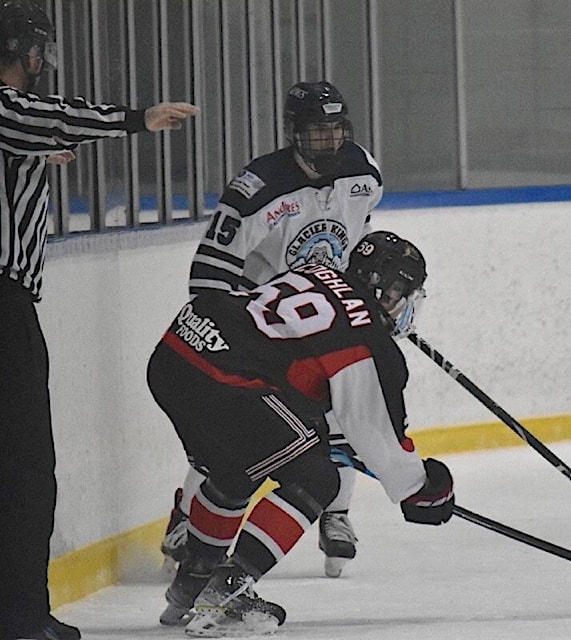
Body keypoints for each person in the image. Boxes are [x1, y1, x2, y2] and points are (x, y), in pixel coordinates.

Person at [0, 1, 199, 639]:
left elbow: (38, 131)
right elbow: (44, 119)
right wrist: (138, 119)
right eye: (34, 52)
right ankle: (21, 617)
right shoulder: (9, 109)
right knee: (26, 467)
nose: (39, 65)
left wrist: (43, 150)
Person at [150, 231, 452, 636]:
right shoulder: (367, 339)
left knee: (235, 469)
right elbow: (375, 433)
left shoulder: (317, 272)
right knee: (317, 476)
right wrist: (424, 489)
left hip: (178, 352)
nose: (404, 303)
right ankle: (227, 592)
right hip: (226, 378)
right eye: (404, 291)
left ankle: (193, 581)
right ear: (387, 289)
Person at [161, 80, 383, 580]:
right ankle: (186, 517)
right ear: (293, 134)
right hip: (263, 334)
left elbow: (357, 240)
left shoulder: (363, 172)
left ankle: (338, 513)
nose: (328, 143)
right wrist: (234, 345)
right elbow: (208, 278)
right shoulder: (257, 189)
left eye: (335, 131)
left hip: (321, 324)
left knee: (343, 410)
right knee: (234, 441)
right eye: (316, 133)